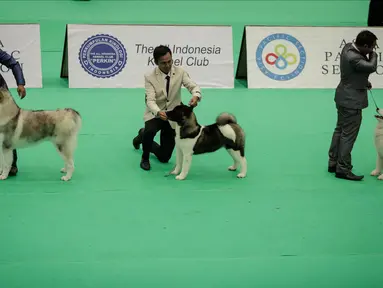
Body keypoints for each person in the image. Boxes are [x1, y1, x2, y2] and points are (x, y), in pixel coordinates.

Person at [132, 45, 202, 170]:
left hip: (173, 114)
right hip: (156, 112)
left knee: (164, 158)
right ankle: (145, 157)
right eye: (163, 63)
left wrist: (196, 96)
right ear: (156, 62)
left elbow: (193, 86)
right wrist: (158, 112)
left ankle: (141, 136)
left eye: (169, 61)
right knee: (150, 131)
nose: (167, 65)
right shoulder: (149, 76)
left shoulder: (180, 71)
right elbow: (150, 100)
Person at [328, 30, 378, 181]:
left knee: (340, 130)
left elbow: (355, 72)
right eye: (372, 47)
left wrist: (363, 82)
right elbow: (371, 67)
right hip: (352, 102)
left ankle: (333, 162)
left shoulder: (348, 47)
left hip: (342, 96)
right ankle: (343, 169)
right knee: (348, 135)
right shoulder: (354, 57)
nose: (373, 50)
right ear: (364, 45)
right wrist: (374, 56)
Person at [0, 48, 27, 176]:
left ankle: (11, 165)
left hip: (1, 94)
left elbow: (13, 64)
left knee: (8, 128)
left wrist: (20, 83)